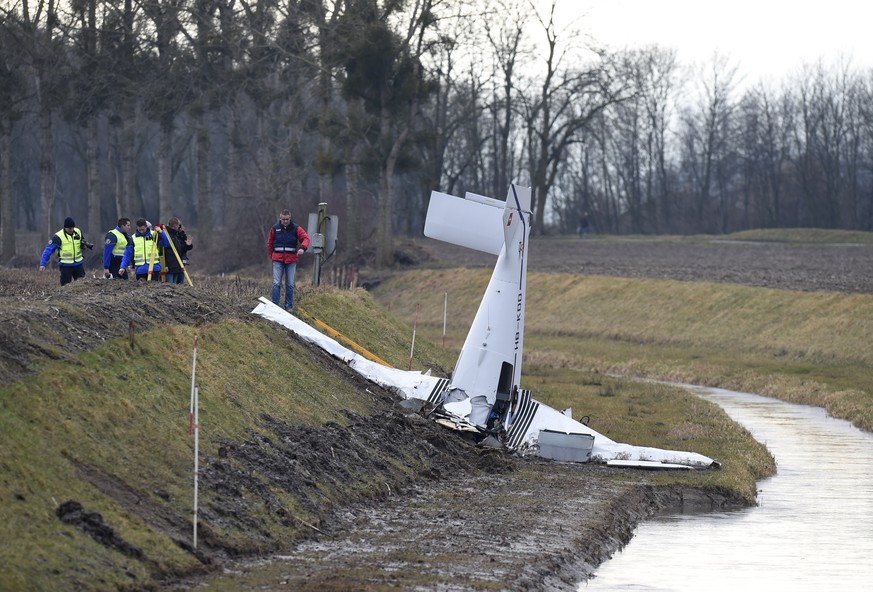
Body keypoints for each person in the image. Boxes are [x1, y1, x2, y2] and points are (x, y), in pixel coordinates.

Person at [268, 209, 310, 310]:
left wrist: (302, 248)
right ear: (280, 218)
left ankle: (288, 307)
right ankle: (275, 306)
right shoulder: (275, 228)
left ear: (290, 218)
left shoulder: (296, 228)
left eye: (287, 219)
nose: (285, 221)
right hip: (277, 259)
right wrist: (272, 256)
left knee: (290, 284)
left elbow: (306, 238)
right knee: (276, 283)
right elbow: (270, 243)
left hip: (291, 260)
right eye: (283, 219)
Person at [39, 217, 91, 286]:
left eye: (72, 228)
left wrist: (84, 246)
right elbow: (48, 250)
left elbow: (81, 241)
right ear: (65, 228)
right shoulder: (58, 236)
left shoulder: (78, 231)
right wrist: (43, 264)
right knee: (65, 287)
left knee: (82, 285)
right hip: (65, 266)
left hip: (78, 264)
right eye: (69, 228)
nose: (71, 230)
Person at [163, 217, 193, 284]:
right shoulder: (166, 235)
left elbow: (180, 250)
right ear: (175, 225)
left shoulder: (176, 235)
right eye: (179, 225)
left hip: (178, 266)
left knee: (177, 286)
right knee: (169, 285)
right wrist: (165, 265)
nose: (180, 227)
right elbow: (163, 251)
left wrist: (187, 245)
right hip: (170, 266)